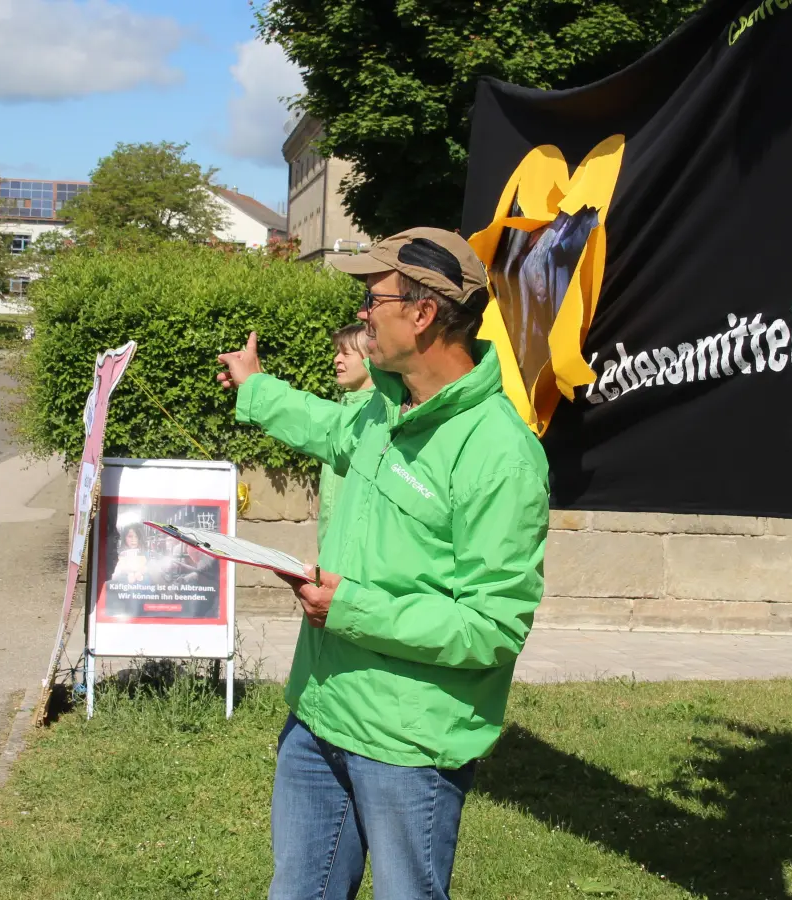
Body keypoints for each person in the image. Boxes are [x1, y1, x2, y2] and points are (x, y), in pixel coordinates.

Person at [217, 227, 550, 899]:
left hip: (407, 745)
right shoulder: (381, 407)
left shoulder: (500, 454)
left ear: (423, 313)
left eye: (374, 297)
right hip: (318, 718)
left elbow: (492, 626)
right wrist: (255, 389)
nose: (362, 313)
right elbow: (328, 428)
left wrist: (351, 609)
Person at [318, 323, 375, 550]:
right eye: (337, 352)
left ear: (371, 358)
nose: (336, 359)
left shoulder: (377, 415)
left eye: (346, 353)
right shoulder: (344, 408)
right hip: (330, 552)